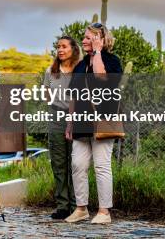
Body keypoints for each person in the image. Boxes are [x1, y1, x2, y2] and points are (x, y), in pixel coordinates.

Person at [64, 23, 122, 224]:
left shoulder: (112, 61)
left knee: (101, 166)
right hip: (81, 122)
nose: (84, 40)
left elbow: (101, 78)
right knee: (78, 164)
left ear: (101, 40)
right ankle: (81, 209)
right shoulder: (80, 65)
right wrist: (70, 122)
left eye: (89, 37)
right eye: (85, 37)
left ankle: (104, 212)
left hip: (103, 121)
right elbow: (73, 95)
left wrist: (97, 53)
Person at [44, 36, 80, 219]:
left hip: (77, 117)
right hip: (56, 116)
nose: (60, 49)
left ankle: (76, 206)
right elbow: (47, 95)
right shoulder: (50, 71)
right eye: (58, 46)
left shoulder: (80, 69)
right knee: (58, 162)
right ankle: (62, 206)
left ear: (73, 49)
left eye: (64, 46)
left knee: (75, 163)